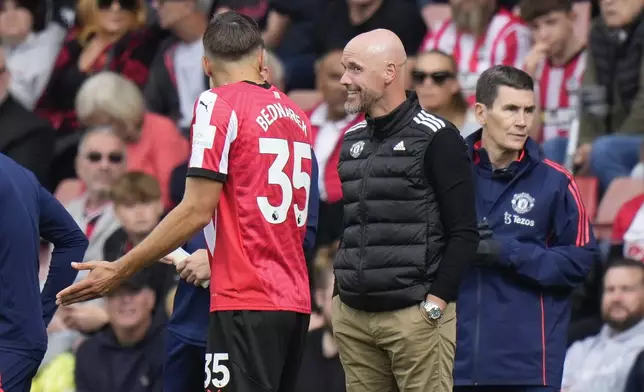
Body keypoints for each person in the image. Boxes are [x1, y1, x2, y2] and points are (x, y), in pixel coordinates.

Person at [57, 11, 318, 392]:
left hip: (243, 300)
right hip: (292, 302)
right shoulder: (295, 115)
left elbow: (196, 208)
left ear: (206, 64)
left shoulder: (217, 103)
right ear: (262, 60)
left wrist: (121, 268)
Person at [333, 29, 479, 392]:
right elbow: (352, 224)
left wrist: (434, 304)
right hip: (354, 315)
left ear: (388, 72)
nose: (343, 79)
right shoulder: (351, 140)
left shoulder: (438, 136)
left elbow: (464, 232)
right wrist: (339, 295)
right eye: (343, 68)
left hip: (415, 317)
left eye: (354, 69)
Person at [453, 65, 598, 392]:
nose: (522, 121)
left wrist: (506, 252)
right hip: (451, 366)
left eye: (529, 110)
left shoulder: (557, 182)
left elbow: (581, 262)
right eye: (511, 109)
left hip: (527, 371)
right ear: (481, 112)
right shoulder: (449, 175)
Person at [0, 153, 88, 392]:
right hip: (19, 339)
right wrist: (40, 314)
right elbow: (73, 240)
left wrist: (41, 313)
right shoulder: (19, 173)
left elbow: (72, 241)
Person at [561, 258, 644, 392]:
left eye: (627, 289)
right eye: (610, 290)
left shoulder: (641, 351)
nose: (616, 298)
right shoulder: (581, 348)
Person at [520, 0, 586, 164]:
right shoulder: (533, 68)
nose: (543, 34)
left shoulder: (590, 63)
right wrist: (530, 81)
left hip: (579, 158)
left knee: (554, 147)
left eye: (551, 23)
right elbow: (528, 136)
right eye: (535, 27)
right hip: (540, 160)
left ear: (572, 18)